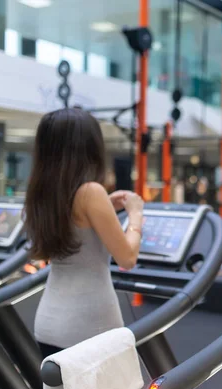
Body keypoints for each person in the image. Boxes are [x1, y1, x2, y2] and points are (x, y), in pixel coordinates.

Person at [24, 108, 145, 359]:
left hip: (48, 324)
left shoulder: (40, 192)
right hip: (90, 325)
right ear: (90, 146)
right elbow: (127, 258)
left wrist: (104, 209)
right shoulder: (91, 192)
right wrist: (135, 214)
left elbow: (72, 224)